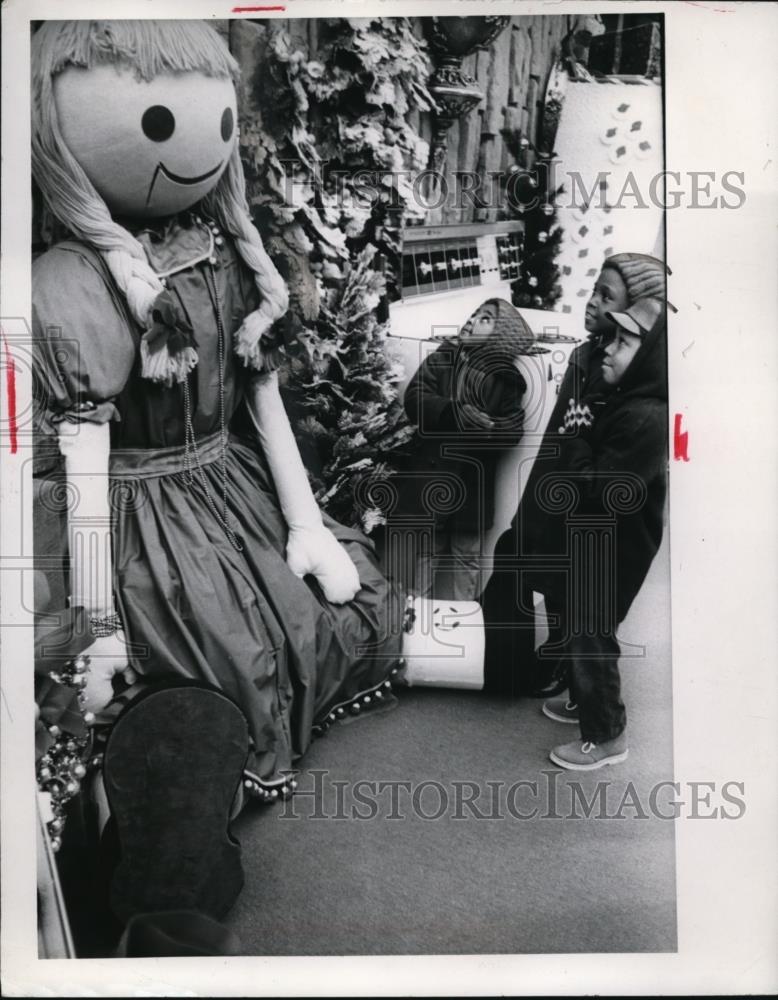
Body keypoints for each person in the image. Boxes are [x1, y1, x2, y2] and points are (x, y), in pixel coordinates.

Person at [31, 20, 402, 920]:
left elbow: (259, 398)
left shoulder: (225, 256)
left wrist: (307, 522)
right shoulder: (74, 282)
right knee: (219, 661)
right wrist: (92, 617)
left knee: (329, 604)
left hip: (223, 476)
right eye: (159, 119)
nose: (205, 144)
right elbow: (81, 457)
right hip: (133, 507)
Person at [482, 295, 668, 769]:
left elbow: (603, 490)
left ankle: (606, 736)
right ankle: (587, 701)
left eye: (624, 344)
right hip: (594, 540)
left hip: (615, 549)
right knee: (582, 621)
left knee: (592, 632)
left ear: (650, 358)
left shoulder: (645, 417)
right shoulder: (624, 400)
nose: (609, 349)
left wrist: (580, 441)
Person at [400, 298, 535, 601]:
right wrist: (451, 412)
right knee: (426, 553)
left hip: (472, 492)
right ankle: (416, 621)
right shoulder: (445, 356)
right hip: (435, 480)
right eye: (474, 312)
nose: (472, 318)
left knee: (467, 558)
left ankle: (464, 627)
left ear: (500, 335)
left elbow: (514, 429)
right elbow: (415, 396)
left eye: (485, 318)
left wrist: (489, 429)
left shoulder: (507, 380)